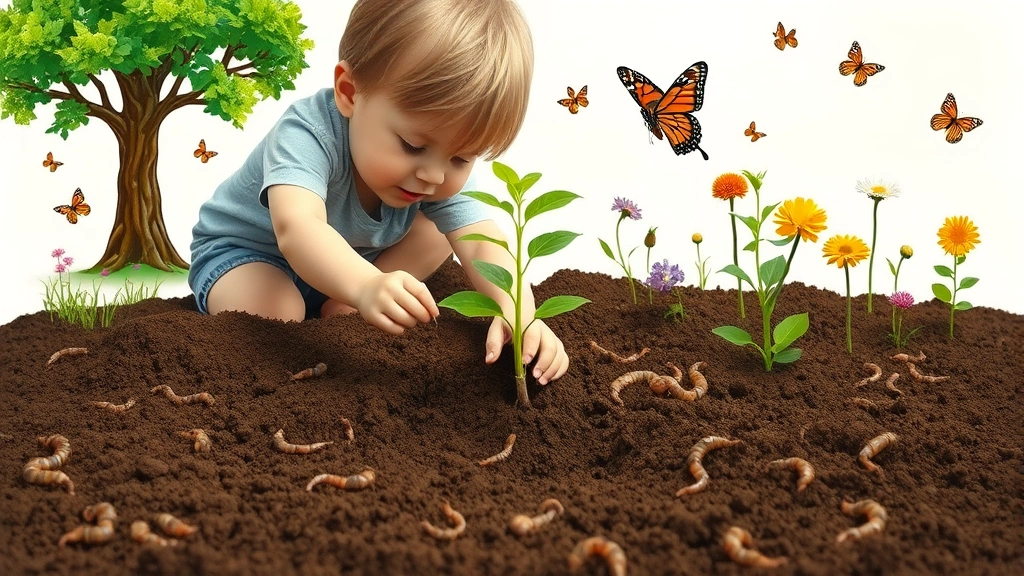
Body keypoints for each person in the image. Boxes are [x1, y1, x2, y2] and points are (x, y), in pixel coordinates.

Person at [188, 0, 568, 385]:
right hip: (250, 253)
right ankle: (357, 293)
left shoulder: (431, 167)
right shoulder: (306, 133)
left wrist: (519, 313)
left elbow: (482, 241)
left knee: (443, 232)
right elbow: (297, 228)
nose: (434, 175)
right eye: (413, 146)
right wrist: (366, 285)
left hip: (355, 260)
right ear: (350, 92)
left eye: (461, 158)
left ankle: (346, 302)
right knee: (281, 313)